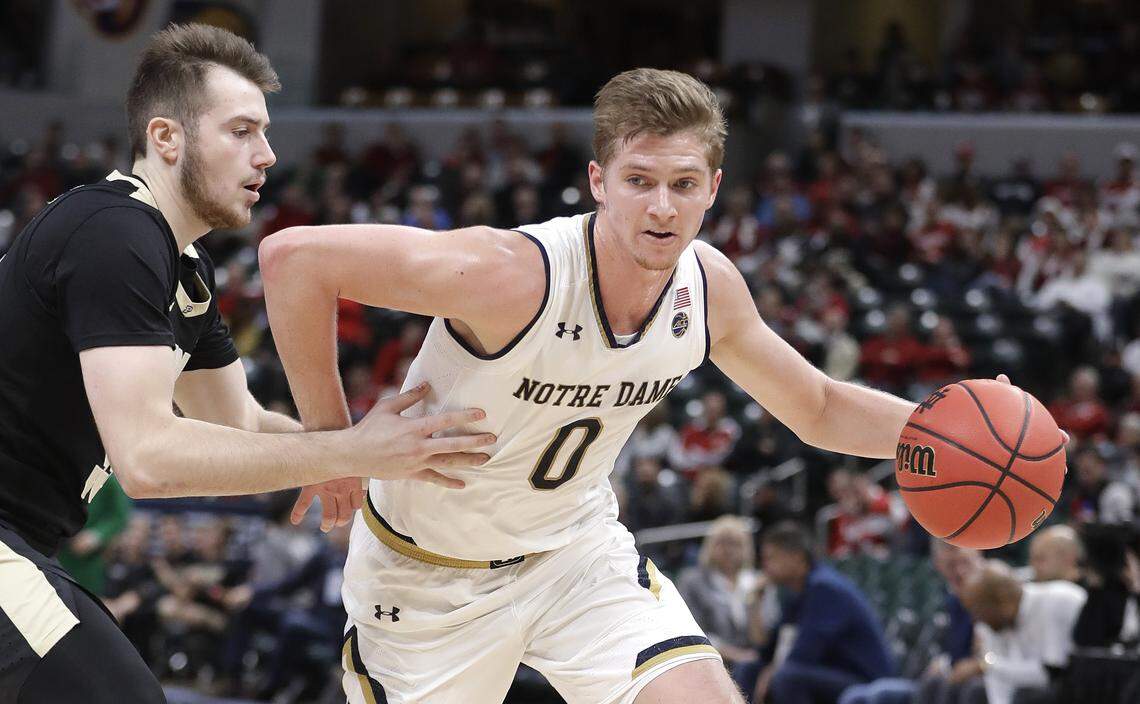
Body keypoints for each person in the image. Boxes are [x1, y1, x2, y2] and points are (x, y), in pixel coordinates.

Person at [260, 68, 921, 703]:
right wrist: (331, 445)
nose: (662, 207)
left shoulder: (708, 288)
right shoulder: (512, 275)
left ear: (713, 188)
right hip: (428, 574)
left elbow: (820, 405)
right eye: (640, 180)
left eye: (684, 184)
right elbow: (294, 260)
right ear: (599, 182)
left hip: (574, 557)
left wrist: (943, 428)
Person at [0, 23, 490, 704]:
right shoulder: (114, 233)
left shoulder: (184, 265)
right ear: (166, 139)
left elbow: (238, 424)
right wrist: (345, 448)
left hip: (26, 541)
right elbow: (149, 460)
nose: (267, 155)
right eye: (242, 131)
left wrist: (386, 456)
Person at [747, 522, 894, 704]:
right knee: (751, 668)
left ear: (797, 557)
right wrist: (753, 604)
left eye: (771, 558)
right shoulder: (798, 592)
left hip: (863, 679)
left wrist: (771, 672)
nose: (765, 566)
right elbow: (767, 651)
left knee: (788, 677)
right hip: (827, 673)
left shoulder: (825, 588)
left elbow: (805, 653)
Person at [959, 561, 1087, 704]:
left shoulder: (1055, 601)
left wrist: (987, 665)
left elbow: (1050, 673)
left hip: (1084, 682)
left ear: (1002, 600)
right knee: (974, 690)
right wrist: (988, 666)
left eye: (978, 610)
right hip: (1044, 686)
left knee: (1028, 695)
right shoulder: (995, 623)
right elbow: (998, 683)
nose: (976, 619)